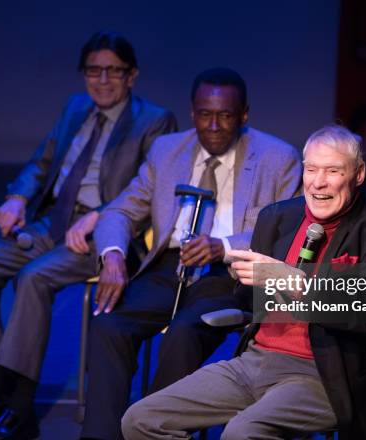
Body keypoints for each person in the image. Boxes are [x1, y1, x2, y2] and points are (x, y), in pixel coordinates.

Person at [121, 124, 366, 440]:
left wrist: (291, 281)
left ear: (358, 174)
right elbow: (249, 302)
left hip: (327, 374)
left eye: (333, 171)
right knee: (141, 418)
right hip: (255, 362)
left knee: (241, 434)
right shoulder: (278, 217)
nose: (318, 183)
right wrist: (243, 278)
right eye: (311, 169)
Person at [0, 31, 177, 440]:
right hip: (53, 222)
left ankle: (18, 409)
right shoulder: (75, 107)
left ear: (132, 76)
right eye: (94, 70)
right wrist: (18, 197)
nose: (103, 79)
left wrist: (100, 216)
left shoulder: (155, 120)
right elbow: (41, 162)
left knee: (34, 277)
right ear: (83, 74)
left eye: (114, 71)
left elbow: (148, 190)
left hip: (103, 234)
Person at [79, 67, 302, 439]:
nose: (213, 126)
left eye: (225, 116)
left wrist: (224, 246)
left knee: (183, 333)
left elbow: (281, 234)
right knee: (107, 324)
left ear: (244, 114)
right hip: (169, 268)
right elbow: (119, 210)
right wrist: (114, 256)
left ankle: (149, 430)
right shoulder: (168, 151)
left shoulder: (277, 158)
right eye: (204, 115)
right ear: (192, 112)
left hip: (229, 276)